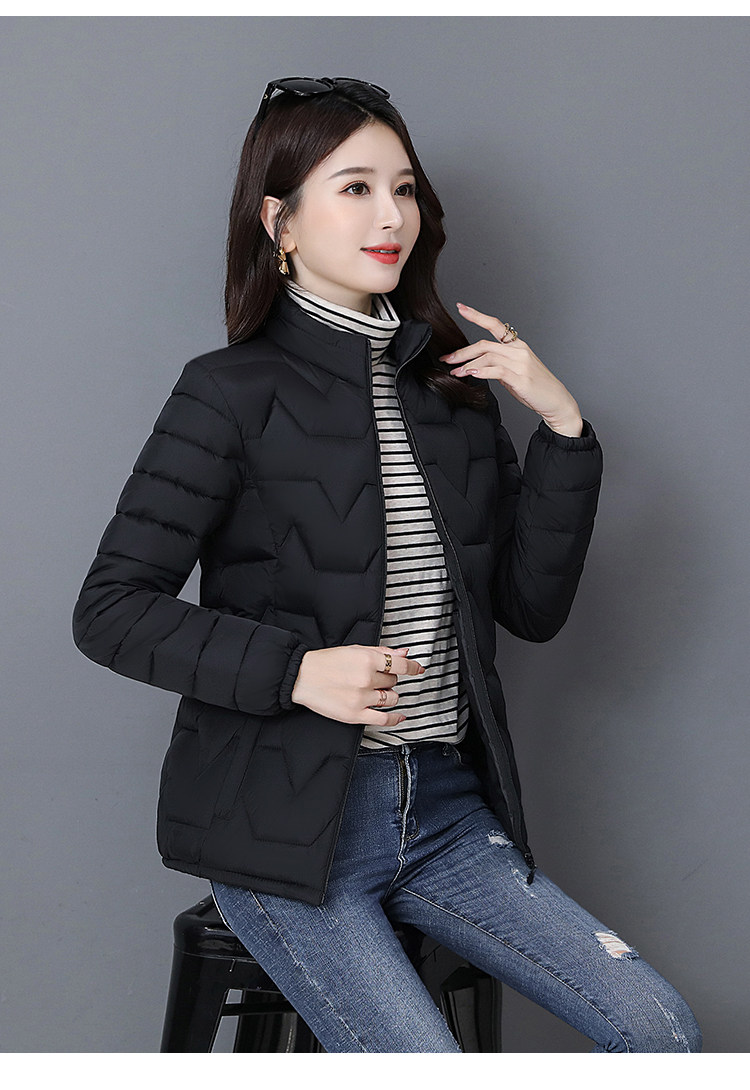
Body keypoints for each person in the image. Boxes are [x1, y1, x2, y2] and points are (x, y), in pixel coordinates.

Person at [72, 76, 702, 1054]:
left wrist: (564, 429)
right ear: (279, 222)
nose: (391, 216)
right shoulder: (226, 393)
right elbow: (110, 609)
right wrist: (297, 671)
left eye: (404, 189)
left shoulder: (454, 397)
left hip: (444, 809)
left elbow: (530, 608)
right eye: (356, 187)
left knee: (661, 1032)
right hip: (286, 824)